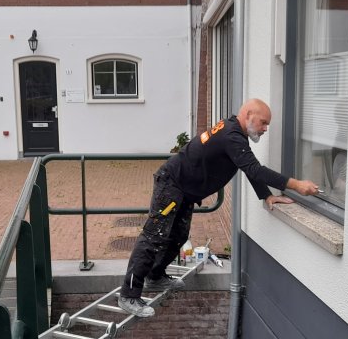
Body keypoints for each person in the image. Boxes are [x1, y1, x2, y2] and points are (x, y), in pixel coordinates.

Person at [118, 98, 319, 317]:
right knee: (154, 236)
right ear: (249, 115)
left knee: (178, 235)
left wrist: (267, 195)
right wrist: (296, 185)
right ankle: (128, 295)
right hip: (172, 185)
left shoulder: (235, 134)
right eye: (263, 122)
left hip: (184, 190)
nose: (265, 129)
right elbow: (255, 169)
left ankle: (155, 277)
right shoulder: (232, 135)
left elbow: (249, 168)